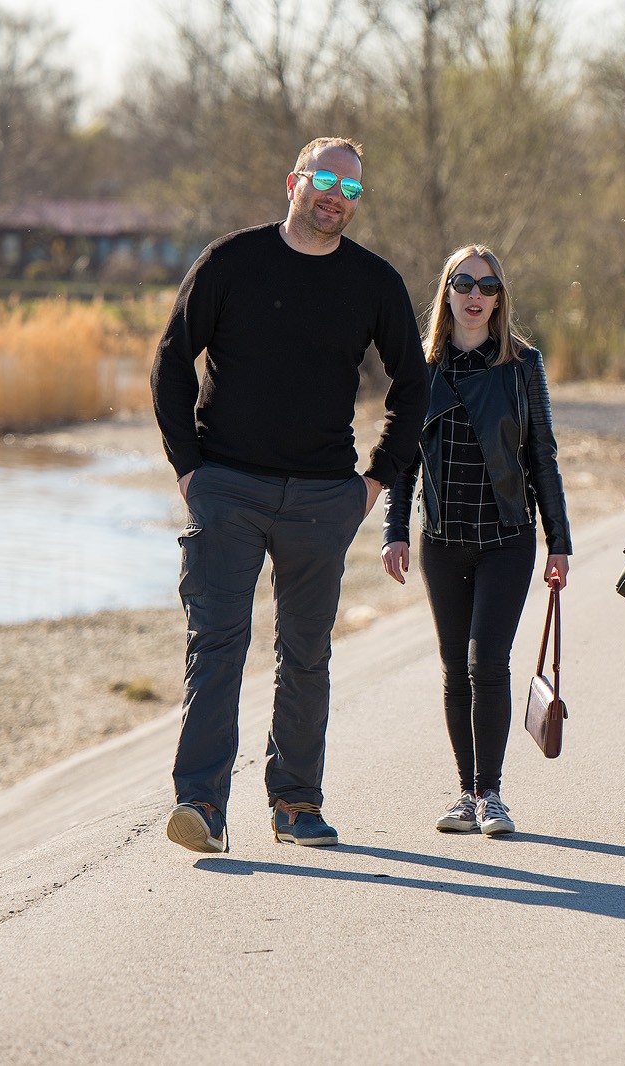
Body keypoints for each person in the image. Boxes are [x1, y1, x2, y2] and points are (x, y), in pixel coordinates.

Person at [152, 136, 428, 853]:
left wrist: (371, 484)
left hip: (323, 497)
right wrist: (190, 471)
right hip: (228, 489)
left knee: (305, 655)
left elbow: (415, 384)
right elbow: (172, 360)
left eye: (353, 189)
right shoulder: (231, 262)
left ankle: (296, 804)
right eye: (327, 179)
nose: (338, 196)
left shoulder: (373, 282)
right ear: (294, 182)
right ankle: (202, 806)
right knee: (218, 646)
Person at [381, 245, 572, 837]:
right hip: (441, 540)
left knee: (486, 661)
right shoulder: (423, 365)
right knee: (452, 668)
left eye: (486, 286)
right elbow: (403, 459)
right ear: (447, 292)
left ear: (499, 297)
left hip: (507, 539)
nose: (474, 295)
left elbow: (543, 456)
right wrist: (394, 532)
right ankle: (465, 793)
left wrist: (558, 541)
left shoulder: (523, 365)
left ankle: (491, 794)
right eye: (463, 283)